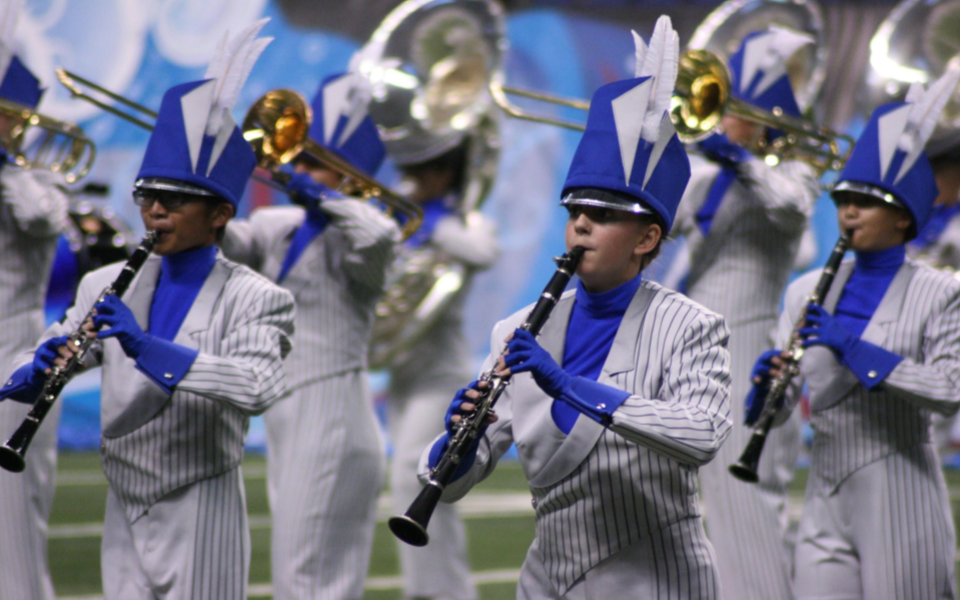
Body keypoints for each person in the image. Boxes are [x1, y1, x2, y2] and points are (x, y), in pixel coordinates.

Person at [419, 18, 732, 599]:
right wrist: (455, 444)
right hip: (549, 578)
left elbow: (703, 433)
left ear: (647, 238)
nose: (581, 225)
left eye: (605, 215)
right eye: (575, 212)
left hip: (657, 580)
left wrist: (569, 387)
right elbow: (464, 474)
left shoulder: (690, 326)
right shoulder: (518, 329)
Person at [0, 20, 295, 600]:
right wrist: (31, 372)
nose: (155, 211)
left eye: (174, 200)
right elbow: (44, 352)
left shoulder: (258, 296)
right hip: (123, 501)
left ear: (220, 213)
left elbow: (257, 385)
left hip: (200, 503)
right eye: (147, 197)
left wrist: (145, 347)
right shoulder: (106, 283)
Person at [748, 70, 960, 600]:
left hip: (901, 490)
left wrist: (850, 347)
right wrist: (764, 391)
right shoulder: (805, 292)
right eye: (843, 198)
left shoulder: (942, 292)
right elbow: (782, 407)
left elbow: (948, 390)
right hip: (824, 492)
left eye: (866, 201)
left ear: (903, 217)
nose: (848, 211)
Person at [221, 70, 400, 600]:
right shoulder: (280, 225)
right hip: (287, 410)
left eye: (314, 163)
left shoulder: (366, 234)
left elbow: (377, 234)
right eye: (300, 159)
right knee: (312, 579)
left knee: (302, 576)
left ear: (350, 174)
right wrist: (215, 173)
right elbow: (218, 241)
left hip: (332, 410)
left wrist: (321, 194)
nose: (298, 170)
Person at [670, 27, 821, 600]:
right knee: (695, 504)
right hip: (692, 348)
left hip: (748, 348)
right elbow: (658, 224)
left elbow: (792, 209)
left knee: (746, 504)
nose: (723, 119)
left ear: (766, 119)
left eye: (735, 109)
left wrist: (742, 160)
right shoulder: (707, 175)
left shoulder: (793, 174)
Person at [380, 73, 499, 600]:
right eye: (411, 170)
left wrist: (432, 223)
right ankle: (436, 590)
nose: (414, 179)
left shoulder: (464, 221)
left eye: (425, 170)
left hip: (442, 373)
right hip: (403, 367)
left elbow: (482, 252)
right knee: (417, 483)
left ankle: (438, 592)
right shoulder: (399, 218)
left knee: (415, 475)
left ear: (447, 173)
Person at [0, 6, 71, 598]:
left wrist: (3, 164)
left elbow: (40, 218)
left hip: (16, 357)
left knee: (14, 530)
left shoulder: (38, 179)